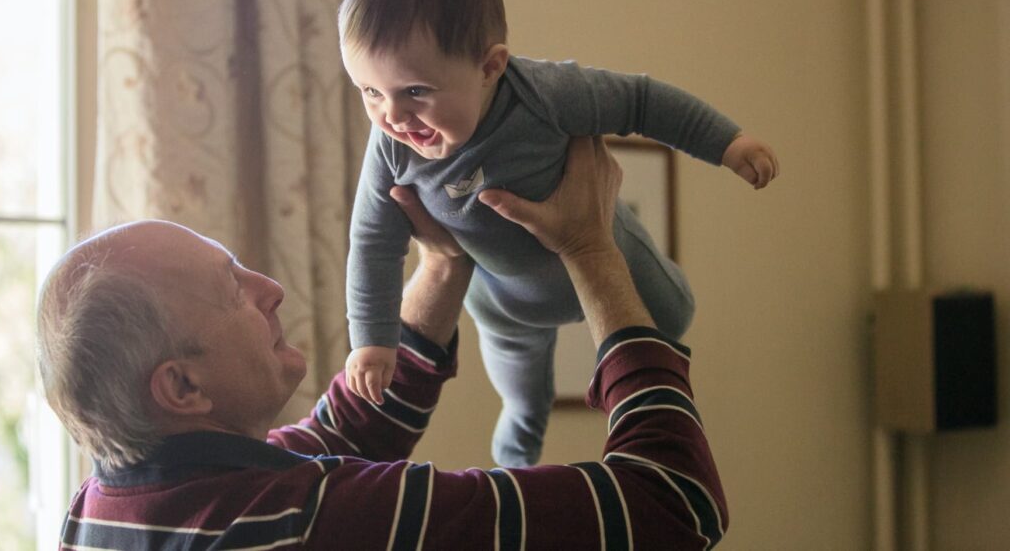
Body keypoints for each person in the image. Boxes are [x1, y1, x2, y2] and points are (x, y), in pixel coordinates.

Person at [38, 136, 728, 549]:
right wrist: (591, 249)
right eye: (231, 289)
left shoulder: (106, 505)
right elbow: (672, 506)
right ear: (182, 388)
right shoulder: (310, 522)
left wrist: (443, 264)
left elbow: (349, 430)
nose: (269, 287)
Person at [340, 0, 780, 467]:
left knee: (675, 315)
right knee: (524, 400)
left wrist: (728, 143)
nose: (392, 116)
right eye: (369, 92)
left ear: (489, 67)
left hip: (606, 250)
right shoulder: (390, 148)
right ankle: (516, 466)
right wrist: (373, 340)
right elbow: (372, 243)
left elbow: (642, 101)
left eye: (415, 91)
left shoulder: (545, 95)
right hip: (505, 303)